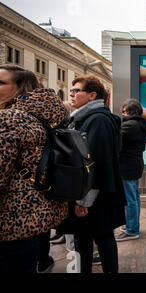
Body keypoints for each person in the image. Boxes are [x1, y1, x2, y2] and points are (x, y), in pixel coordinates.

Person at [0, 65, 68, 272]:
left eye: (2, 82)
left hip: (10, 220)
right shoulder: (41, 118)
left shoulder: (8, 119)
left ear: (19, 88)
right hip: (31, 217)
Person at [61, 75, 126, 273]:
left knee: (103, 239)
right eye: (71, 90)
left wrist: (84, 201)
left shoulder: (98, 120)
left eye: (76, 90)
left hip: (96, 196)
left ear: (92, 95)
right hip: (88, 194)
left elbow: (97, 162)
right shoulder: (84, 118)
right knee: (85, 239)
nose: (71, 94)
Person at [115, 99, 146, 242]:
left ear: (129, 112)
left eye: (123, 112)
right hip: (134, 164)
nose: (122, 114)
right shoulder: (139, 124)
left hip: (127, 166)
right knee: (134, 197)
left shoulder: (130, 125)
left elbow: (116, 139)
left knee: (130, 198)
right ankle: (132, 225)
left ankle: (132, 230)